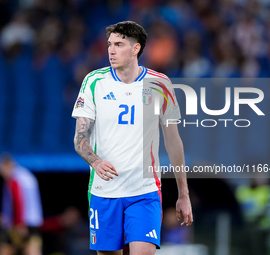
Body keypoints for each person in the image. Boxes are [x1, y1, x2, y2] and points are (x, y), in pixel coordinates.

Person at [72, 21, 193, 255]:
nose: (111, 50)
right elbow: (79, 138)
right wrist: (96, 162)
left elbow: (173, 142)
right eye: (109, 44)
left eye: (119, 44)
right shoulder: (94, 82)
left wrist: (183, 194)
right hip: (104, 191)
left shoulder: (160, 84)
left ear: (136, 48)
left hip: (144, 191)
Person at [0, 153, 43, 255]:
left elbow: (18, 200)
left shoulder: (14, 177)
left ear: (7, 165)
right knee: (33, 248)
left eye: (0, 167)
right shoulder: (26, 175)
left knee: (5, 250)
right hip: (34, 222)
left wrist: (19, 223)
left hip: (21, 223)